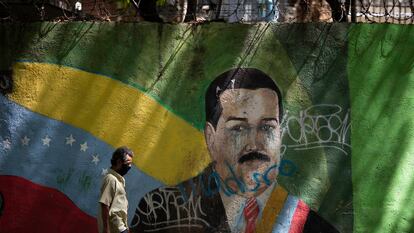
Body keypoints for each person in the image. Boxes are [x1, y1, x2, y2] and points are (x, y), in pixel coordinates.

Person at [130, 68, 338, 233]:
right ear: (211, 138)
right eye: (238, 128)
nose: (254, 144)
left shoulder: (310, 226)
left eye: (267, 127)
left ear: (281, 135)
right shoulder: (161, 211)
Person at [98, 146, 134, 233]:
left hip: (120, 227)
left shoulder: (119, 181)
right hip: (116, 228)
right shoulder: (111, 179)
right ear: (119, 162)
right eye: (128, 163)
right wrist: (106, 229)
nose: (130, 166)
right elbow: (104, 204)